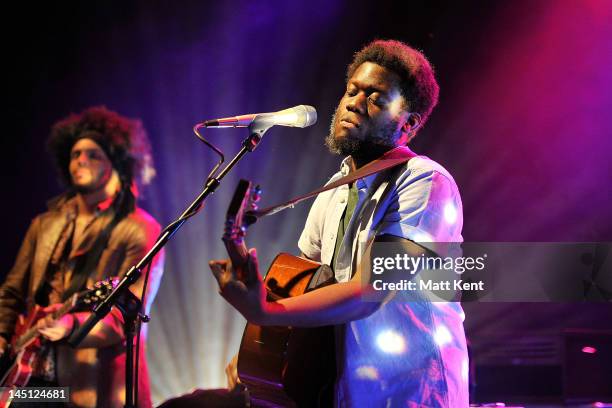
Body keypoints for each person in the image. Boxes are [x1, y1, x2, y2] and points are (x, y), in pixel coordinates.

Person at [209, 39, 469, 407]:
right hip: (344, 387)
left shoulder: (425, 181)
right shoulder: (334, 185)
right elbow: (304, 280)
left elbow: (370, 289)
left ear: (409, 123)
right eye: (352, 90)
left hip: (409, 391)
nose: (353, 102)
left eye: (376, 97)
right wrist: (260, 353)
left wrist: (266, 311)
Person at [0, 106, 165, 408]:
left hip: (84, 385)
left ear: (117, 161)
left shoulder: (141, 229)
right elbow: (11, 292)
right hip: (27, 371)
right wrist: (2, 334)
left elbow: (125, 315)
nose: (80, 161)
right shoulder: (45, 224)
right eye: (75, 154)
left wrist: (70, 325)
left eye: (92, 154)